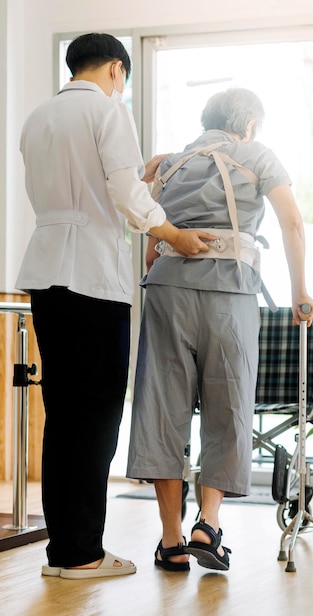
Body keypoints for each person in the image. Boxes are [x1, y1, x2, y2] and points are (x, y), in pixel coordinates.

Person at [15, 32, 214, 580]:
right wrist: (173, 233)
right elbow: (126, 198)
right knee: (99, 416)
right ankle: (84, 554)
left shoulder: (39, 117)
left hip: (47, 274)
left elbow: (83, 185)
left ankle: (65, 552)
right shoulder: (109, 110)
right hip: (92, 280)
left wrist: (137, 179)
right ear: (116, 71)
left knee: (65, 417)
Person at [127, 87, 313, 572]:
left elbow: (151, 244)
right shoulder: (256, 154)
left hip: (166, 291)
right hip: (228, 292)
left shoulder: (169, 163)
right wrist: (300, 290)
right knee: (228, 403)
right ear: (249, 125)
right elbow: (292, 222)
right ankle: (206, 525)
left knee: (161, 408)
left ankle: (170, 542)